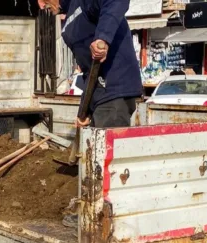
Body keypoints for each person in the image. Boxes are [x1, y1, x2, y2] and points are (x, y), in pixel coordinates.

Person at [39, 0, 143, 228]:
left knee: (105, 161)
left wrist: (103, 38)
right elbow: (88, 71)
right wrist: (83, 110)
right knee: (93, 159)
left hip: (115, 91)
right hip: (98, 94)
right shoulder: (68, 18)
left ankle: (103, 220)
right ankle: (92, 213)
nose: (40, 5)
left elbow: (115, 2)